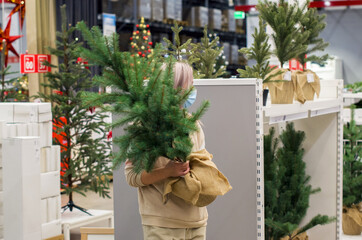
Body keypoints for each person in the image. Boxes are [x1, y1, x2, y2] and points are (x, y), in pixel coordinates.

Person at [124, 62, 207, 240]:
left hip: (197, 221)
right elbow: (132, 177)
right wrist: (168, 171)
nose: (192, 91)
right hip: (162, 224)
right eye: (188, 85)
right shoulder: (145, 125)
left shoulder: (194, 124)